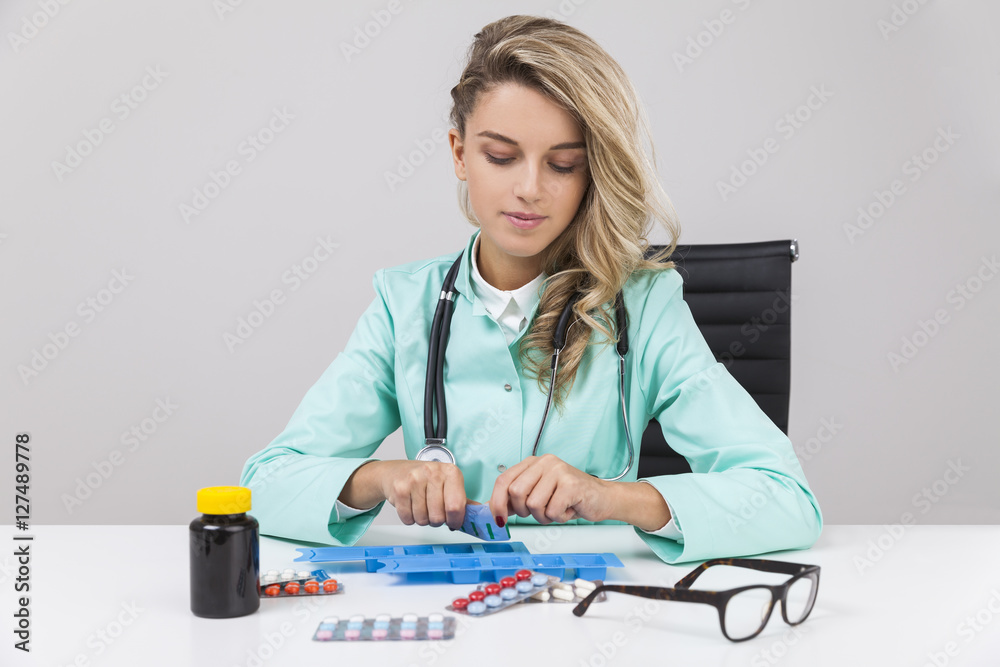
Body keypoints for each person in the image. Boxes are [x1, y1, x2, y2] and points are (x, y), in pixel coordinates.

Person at [240, 14, 822, 564]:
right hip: (453, 608)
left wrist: (611, 498)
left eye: (563, 164)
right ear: (460, 154)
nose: (530, 189)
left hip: (593, 604)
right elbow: (263, 486)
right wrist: (379, 478)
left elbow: (787, 499)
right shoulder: (404, 306)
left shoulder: (645, 305)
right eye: (501, 156)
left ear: (592, 172)